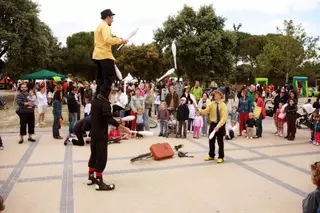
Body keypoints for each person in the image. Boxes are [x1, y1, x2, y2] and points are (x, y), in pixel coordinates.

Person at [88, 90, 130, 191]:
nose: (112, 95)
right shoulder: (105, 103)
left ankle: (91, 176)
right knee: (102, 157)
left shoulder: (95, 101)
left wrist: (117, 122)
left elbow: (102, 117)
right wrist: (124, 128)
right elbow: (108, 119)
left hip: (93, 133)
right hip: (101, 134)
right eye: (111, 93)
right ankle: (99, 182)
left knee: (94, 155)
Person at [92, 9, 128, 98]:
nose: (113, 20)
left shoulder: (98, 26)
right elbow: (108, 39)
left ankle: (98, 95)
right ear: (107, 17)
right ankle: (103, 95)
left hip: (97, 55)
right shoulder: (105, 26)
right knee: (110, 76)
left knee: (100, 77)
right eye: (112, 17)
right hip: (104, 55)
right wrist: (121, 41)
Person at [199, 90, 228, 163]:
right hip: (213, 123)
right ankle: (211, 155)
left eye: (216, 94)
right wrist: (199, 110)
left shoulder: (223, 105)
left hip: (220, 125)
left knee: (220, 141)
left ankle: (221, 156)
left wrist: (218, 126)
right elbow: (205, 111)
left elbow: (223, 118)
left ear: (220, 95)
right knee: (211, 140)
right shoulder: (212, 104)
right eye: (214, 94)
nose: (214, 95)